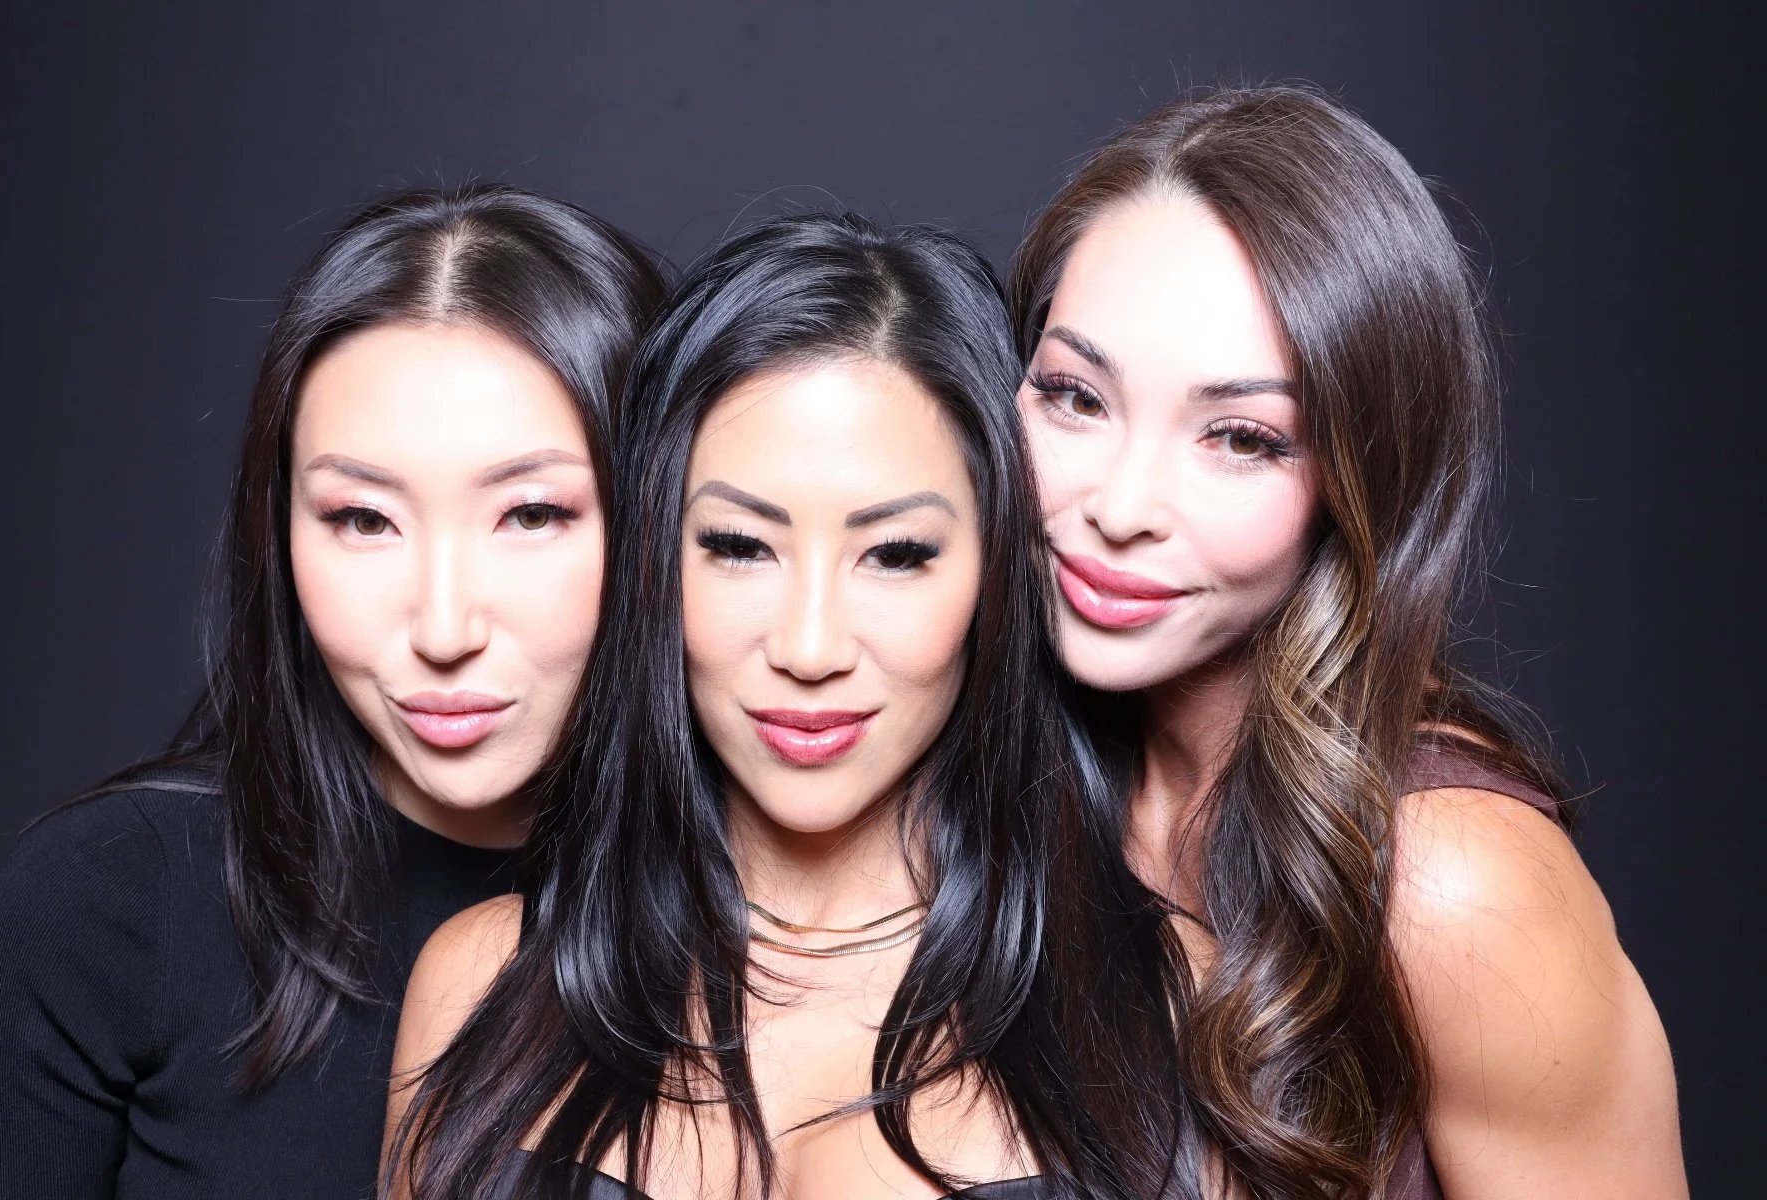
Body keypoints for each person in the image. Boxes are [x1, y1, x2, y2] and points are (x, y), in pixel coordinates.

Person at [383, 213, 1184, 1200]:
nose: (810, 648)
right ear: (655, 564)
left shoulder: (1167, 1009)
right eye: (739, 546)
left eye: (896, 555)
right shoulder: (480, 986)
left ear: (999, 572)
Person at [1007, 85, 1687, 1198]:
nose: (1122, 504)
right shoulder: (983, 772)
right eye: (1077, 396)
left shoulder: (1450, 884)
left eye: (1240, 437)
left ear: (1365, 475)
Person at [0, 184, 666, 1200]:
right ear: (278, 527)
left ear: (660, 514)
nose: (442, 628)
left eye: (530, 514)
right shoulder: (116, 898)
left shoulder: (777, 932)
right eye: (362, 519)